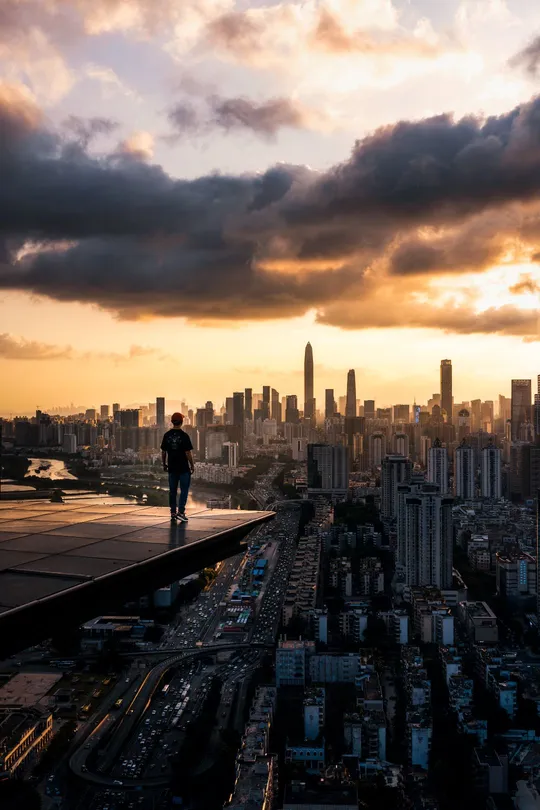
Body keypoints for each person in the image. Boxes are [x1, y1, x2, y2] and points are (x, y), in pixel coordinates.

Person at [161, 413, 194, 522]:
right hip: (184, 468)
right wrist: (192, 465)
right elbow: (188, 453)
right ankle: (181, 512)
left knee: (172, 491)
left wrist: (164, 464)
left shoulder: (167, 435)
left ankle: (173, 513)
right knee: (184, 490)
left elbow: (163, 452)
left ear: (172, 421)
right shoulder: (184, 436)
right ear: (181, 422)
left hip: (172, 467)